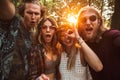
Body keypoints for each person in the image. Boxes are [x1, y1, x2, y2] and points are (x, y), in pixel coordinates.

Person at [0, 0, 46, 80]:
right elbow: (7, 10)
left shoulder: (35, 36)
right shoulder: (12, 24)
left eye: (37, 14)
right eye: (29, 13)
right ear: (22, 13)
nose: (33, 17)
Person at [77, 6, 120, 80]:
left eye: (92, 18)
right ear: (79, 24)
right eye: (83, 20)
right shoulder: (82, 44)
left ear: (99, 21)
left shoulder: (111, 36)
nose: (88, 22)